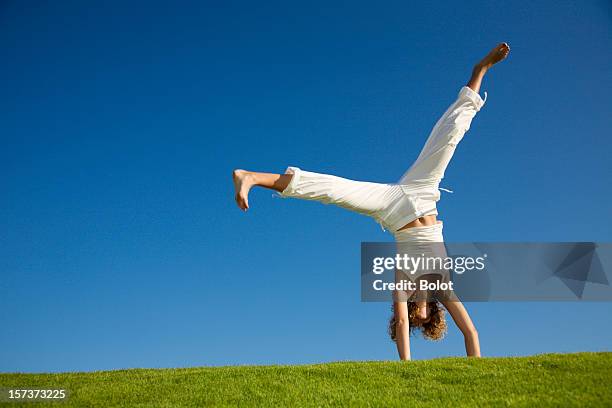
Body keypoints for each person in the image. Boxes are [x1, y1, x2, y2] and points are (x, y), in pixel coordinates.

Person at [232, 43, 510, 360]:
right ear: (431, 313)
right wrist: (478, 370)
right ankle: (480, 70)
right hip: (421, 193)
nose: (414, 318)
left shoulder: (402, 285)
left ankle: (251, 177)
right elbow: (471, 332)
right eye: (422, 320)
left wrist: (406, 368)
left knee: (333, 191)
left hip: (392, 209)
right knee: (450, 134)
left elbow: (402, 321)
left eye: (412, 319)